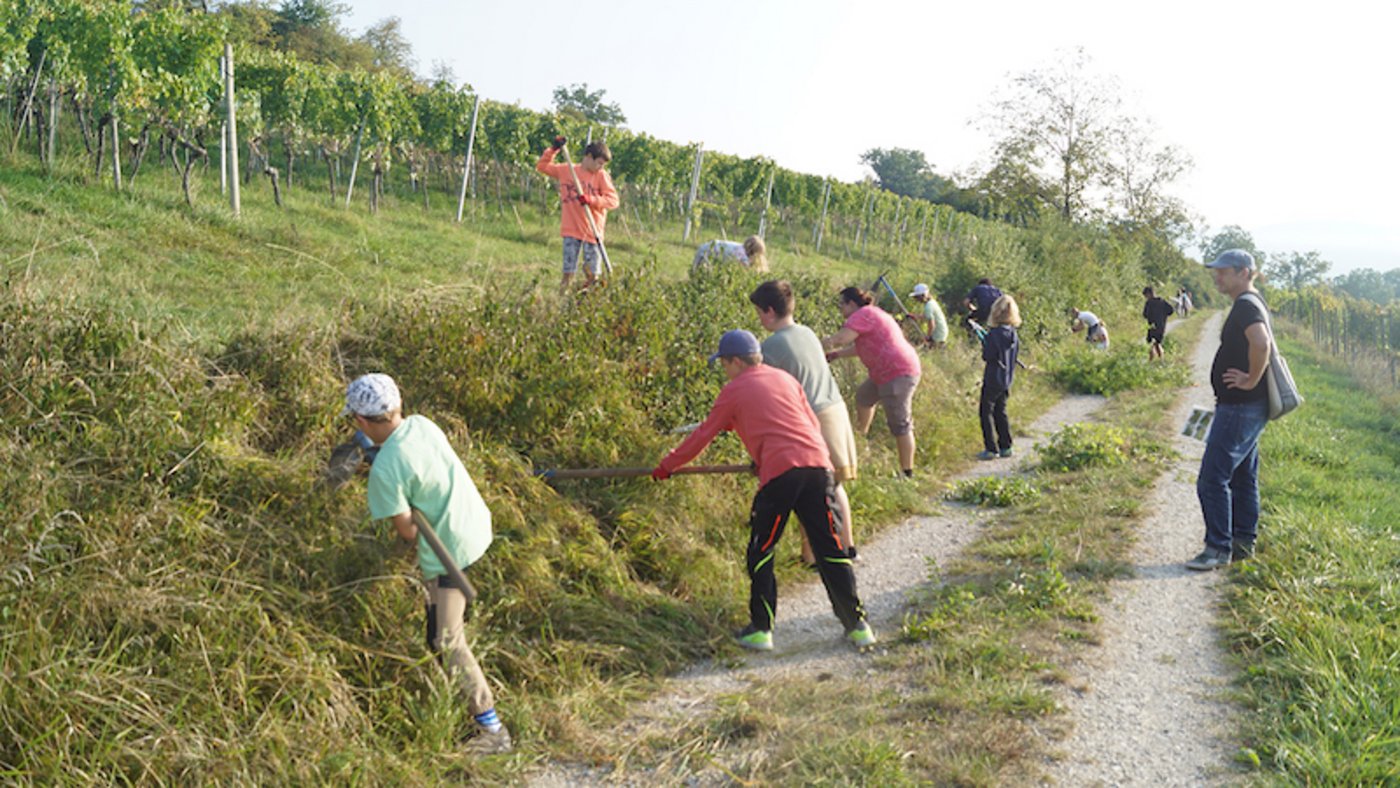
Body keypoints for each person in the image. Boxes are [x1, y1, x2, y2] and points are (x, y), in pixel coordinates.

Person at [651, 330, 876, 652]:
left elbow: (703, 435)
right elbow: (806, 424)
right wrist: (763, 455)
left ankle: (760, 629)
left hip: (781, 477)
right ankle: (858, 626)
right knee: (831, 550)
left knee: (761, 551)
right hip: (818, 468)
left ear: (736, 361)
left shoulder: (734, 389)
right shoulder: (785, 380)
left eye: (724, 363)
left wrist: (667, 466)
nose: (724, 370)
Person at [341, 374, 511, 754]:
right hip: (475, 526)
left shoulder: (386, 470)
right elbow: (412, 459)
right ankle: (456, 704)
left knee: (447, 640)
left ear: (361, 422)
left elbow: (406, 532)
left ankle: (493, 729)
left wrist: (382, 468)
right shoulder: (422, 425)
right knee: (435, 634)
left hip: (448, 554)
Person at [749, 280, 859, 567]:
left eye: (759, 312)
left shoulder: (772, 346)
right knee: (833, 486)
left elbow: (761, 389)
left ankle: (815, 557)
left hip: (815, 417)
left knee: (817, 489)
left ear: (769, 311)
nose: (759, 319)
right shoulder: (807, 332)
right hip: (835, 408)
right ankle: (846, 548)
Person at [1187, 250, 1272, 571]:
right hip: (1245, 406)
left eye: (1223, 272)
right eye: (1216, 271)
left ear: (1244, 272)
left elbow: (1260, 344)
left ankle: (1217, 549)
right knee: (1242, 476)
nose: (1216, 277)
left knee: (1212, 478)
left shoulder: (1246, 305)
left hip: (1240, 406)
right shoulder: (1251, 301)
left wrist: (1250, 380)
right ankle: (1242, 541)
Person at [823, 287, 922, 478]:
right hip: (884, 373)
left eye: (841, 304)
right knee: (864, 397)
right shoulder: (872, 314)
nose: (840, 309)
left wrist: (816, 344)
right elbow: (861, 347)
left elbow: (842, 338)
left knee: (900, 423)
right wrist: (835, 355)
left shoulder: (863, 314)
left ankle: (907, 473)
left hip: (897, 372)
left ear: (851, 304)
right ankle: (862, 437)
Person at [536, 136, 619, 293]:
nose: (601, 167)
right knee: (568, 273)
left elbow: (613, 201)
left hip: (592, 232)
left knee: (592, 275)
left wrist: (591, 200)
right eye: (599, 163)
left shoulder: (601, 176)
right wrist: (553, 150)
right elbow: (542, 166)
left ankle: (584, 299)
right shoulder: (567, 170)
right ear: (588, 157)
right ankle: (563, 300)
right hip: (571, 230)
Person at [977, 295, 1021, 460]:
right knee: (1000, 411)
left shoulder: (994, 334)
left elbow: (988, 356)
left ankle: (991, 448)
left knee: (985, 411)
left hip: (993, 377)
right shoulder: (1013, 334)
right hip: (1007, 377)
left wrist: (984, 342)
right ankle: (1005, 446)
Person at [693, 236, 769, 272]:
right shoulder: (741, 255)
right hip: (707, 253)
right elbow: (744, 269)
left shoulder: (739, 247)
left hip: (706, 247)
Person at [909, 283, 949, 348]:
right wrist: (914, 316)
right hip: (942, 333)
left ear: (922, 296)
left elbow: (931, 324)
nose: (916, 299)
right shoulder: (932, 303)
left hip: (937, 335)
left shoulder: (929, 306)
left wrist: (928, 337)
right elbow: (926, 316)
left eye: (917, 297)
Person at [1142, 286, 1176, 361]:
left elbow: (1145, 315)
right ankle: (1161, 360)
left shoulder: (1149, 303)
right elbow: (1171, 310)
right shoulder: (1162, 301)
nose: (1146, 297)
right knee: (1157, 343)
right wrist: (1163, 316)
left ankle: (1152, 361)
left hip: (1152, 327)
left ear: (1149, 294)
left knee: (1152, 344)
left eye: (1146, 295)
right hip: (1161, 327)